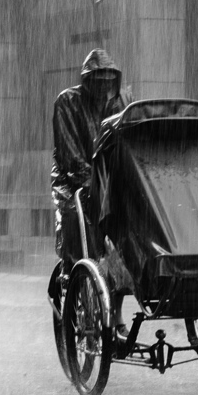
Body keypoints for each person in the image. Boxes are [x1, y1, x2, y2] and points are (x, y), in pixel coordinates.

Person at [51, 49, 132, 325]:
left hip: (111, 180)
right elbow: (69, 153)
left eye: (108, 82)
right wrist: (92, 180)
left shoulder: (122, 102)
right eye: (97, 81)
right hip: (72, 181)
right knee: (79, 218)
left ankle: (117, 305)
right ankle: (76, 280)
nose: (103, 87)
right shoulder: (68, 102)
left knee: (128, 229)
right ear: (87, 80)